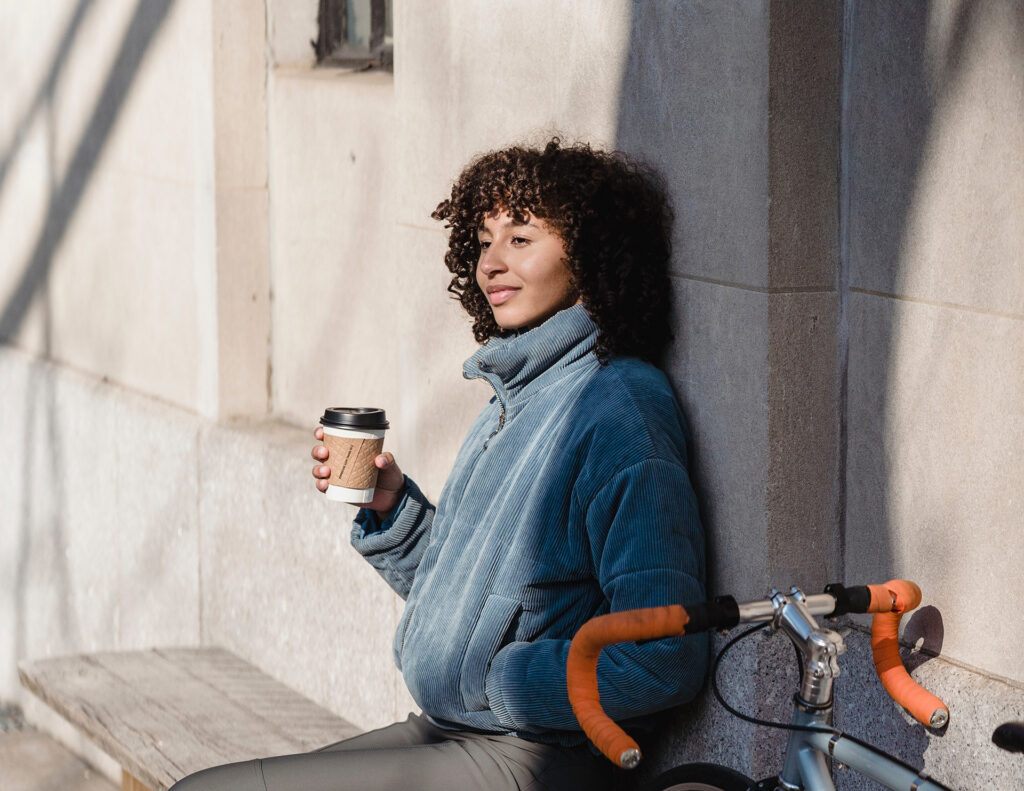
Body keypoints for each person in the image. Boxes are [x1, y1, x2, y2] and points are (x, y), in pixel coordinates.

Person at [171, 139, 708, 791]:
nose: (490, 263)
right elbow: (483, 599)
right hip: (452, 730)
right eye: (482, 242)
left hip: (539, 755)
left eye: (520, 238)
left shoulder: (621, 409)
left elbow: (663, 655)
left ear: (590, 253)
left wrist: (502, 679)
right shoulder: (516, 399)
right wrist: (393, 507)